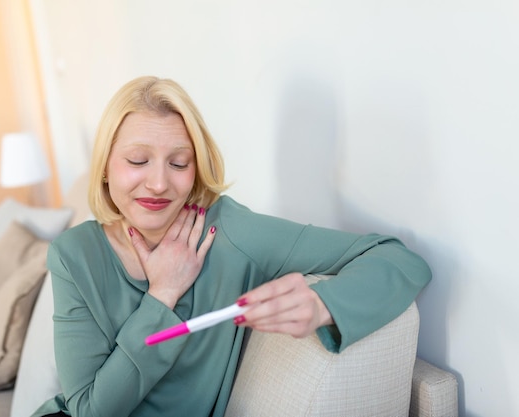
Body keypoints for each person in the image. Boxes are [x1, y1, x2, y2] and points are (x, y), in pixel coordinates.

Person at [32, 76, 431, 417]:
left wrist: (324, 304)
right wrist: (162, 295)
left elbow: (398, 258)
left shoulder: (230, 232)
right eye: (137, 160)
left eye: (178, 163)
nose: (157, 183)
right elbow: (87, 409)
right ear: (104, 166)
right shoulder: (73, 254)